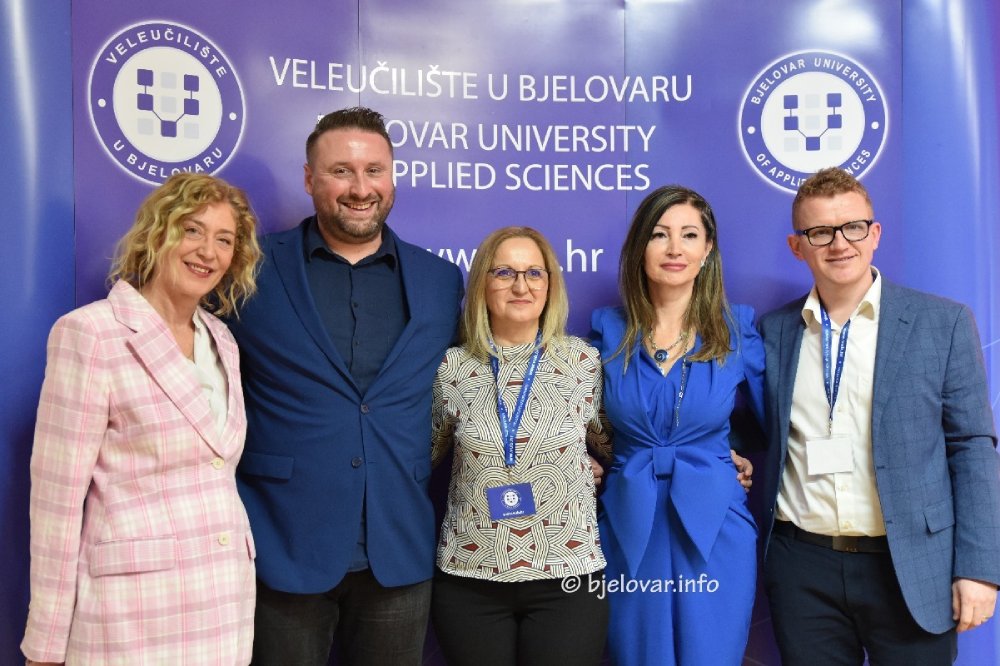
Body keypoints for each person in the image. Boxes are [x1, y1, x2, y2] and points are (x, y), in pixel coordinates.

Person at [226, 107, 464, 665]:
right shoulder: (248, 268)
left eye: (374, 170)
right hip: (282, 544)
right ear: (310, 178)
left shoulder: (439, 280)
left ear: (392, 177)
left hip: (398, 546)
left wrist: (558, 451)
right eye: (341, 171)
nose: (361, 188)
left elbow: (476, 381)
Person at [758, 167, 1000, 665]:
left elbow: (972, 446)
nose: (839, 244)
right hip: (803, 568)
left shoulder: (943, 323)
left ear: (875, 234)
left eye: (853, 227)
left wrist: (979, 568)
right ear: (796, 246)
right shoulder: (773, 331)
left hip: (911, 565)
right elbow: (749, 421)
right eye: (820, 232)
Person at [21, 173, 262, 665]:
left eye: (224, 240)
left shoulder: (222, 339)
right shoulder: (91, 333)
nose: (208, 252)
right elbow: (56, 503)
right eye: (192, 230)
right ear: (157, 234)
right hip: (132, 614)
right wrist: (46, 643)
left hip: (224, 604)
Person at [590, 185, 765, 665]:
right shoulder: (606, 330)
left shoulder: (737, 327)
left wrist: (728, 450)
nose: (674, 248)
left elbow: (773, 419)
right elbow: (575, 419)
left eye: (689, 235)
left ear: (707, 250)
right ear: (639, 248)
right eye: (659, 234)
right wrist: (582, 462)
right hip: (630, 523)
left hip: (716, 527)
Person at [430, 226, 610, 666]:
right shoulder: (451, 367)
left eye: (534, 272)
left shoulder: (583, 362)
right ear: (481, 283)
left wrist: (727, 452)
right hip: (471, 578)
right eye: (504, 272)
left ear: (550, 284)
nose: (521, 286)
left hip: (568, 577)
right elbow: (421, 457)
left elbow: (622, 443)